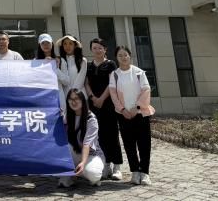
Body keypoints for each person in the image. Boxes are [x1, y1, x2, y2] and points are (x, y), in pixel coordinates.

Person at [109, 45, 155, 186]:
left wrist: (137, 107)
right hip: (123, 115)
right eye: (120, 55)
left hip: (140, 114)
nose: (123, 58)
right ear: (116, 58)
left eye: (125, 55)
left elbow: (146, 90)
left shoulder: (139, 72)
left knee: (144, 144)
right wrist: (122, 110)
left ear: (130, 56)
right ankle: (135, 171)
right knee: (129, 144)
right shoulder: (114, 75)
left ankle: (145, 173)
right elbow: (113, 94)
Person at [84, 38, 123, 181]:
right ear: (91, 49)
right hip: (93, 104)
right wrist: (93, 97)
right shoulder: (88, 66)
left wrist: (101, 99)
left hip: (108, 104)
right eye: (94, 48)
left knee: (112, 133)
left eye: (100, 48)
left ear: (105, 49)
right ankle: (105, 165)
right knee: (98, 135)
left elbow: (112, 83)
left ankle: (117, 166)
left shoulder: (110, 64)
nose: (97, 50)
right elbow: (86, 83)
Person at [58, 89, 105, 188]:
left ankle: (80, 172)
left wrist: (83, 162)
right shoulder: (67, 116)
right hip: (74, 152)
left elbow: (87, 144)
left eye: (76, 99)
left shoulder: (91, 119)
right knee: (61, 147)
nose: (73, 102)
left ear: (83, 100)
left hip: (91, 155)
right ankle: (70, 174)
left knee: (93, 175)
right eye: (70, 99)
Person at [35, 33, 69, 113]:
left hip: (58, 98)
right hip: (42, 98)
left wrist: (55, 68)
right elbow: (34, 81)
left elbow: (66, 81)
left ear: (52, 44)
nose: (46, 45)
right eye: (43, 43)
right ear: (39, 45)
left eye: (48, 43)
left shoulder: (60, 60)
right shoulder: (35, 62)